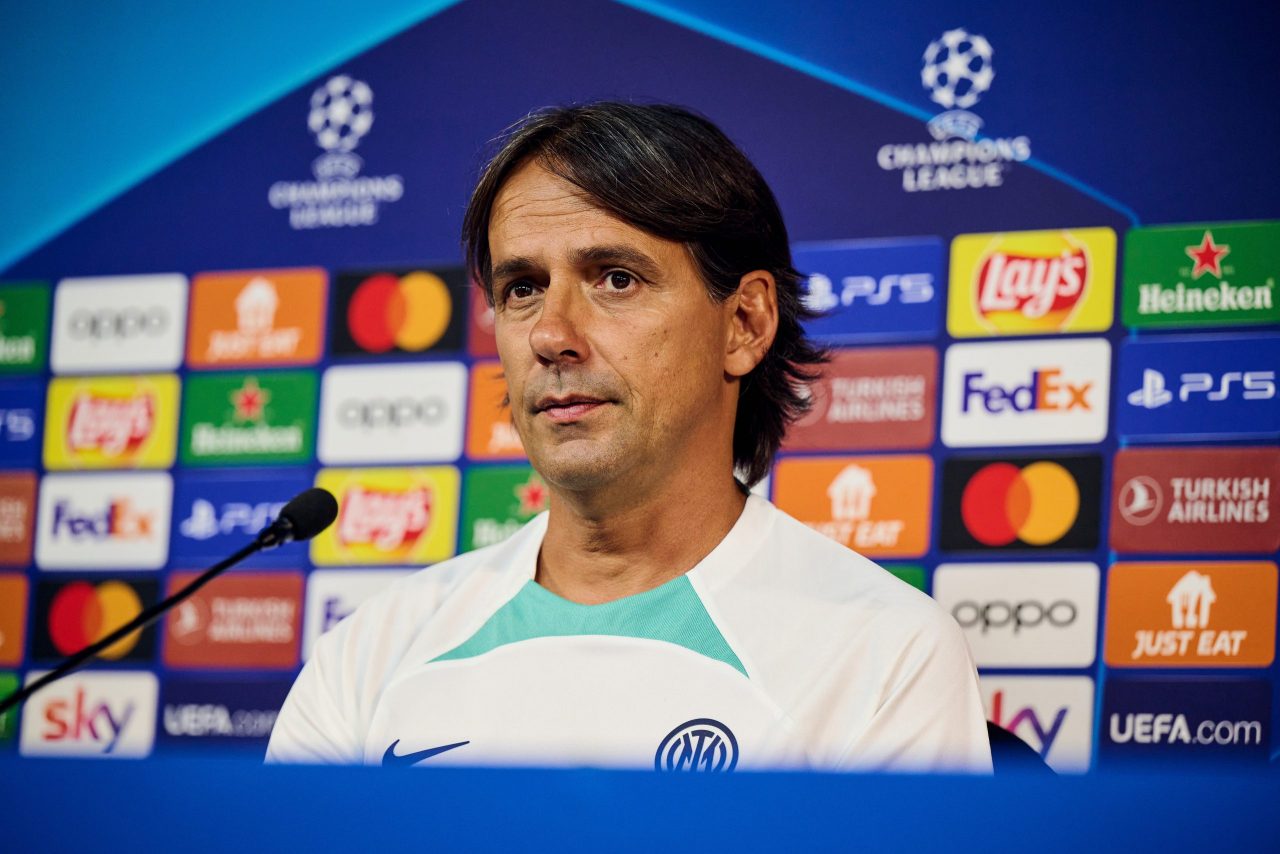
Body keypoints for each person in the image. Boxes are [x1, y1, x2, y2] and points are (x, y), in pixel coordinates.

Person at [267, 102, 992, 772]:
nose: (551, 334)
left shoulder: (885, 655)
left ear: (745, 325)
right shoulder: (366, 660)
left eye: (615, 279)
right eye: (522, 289)